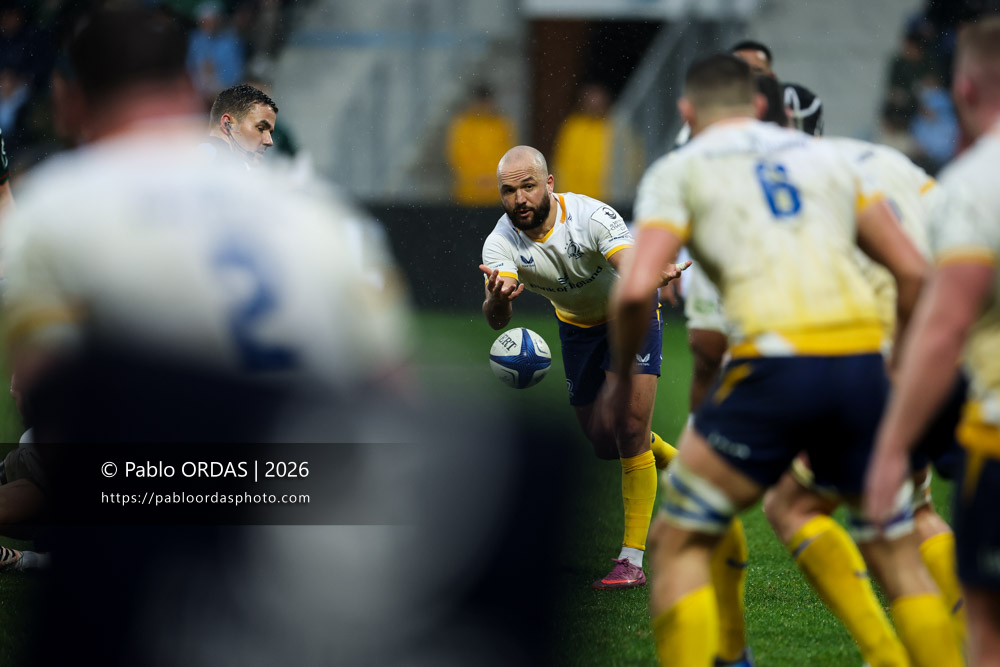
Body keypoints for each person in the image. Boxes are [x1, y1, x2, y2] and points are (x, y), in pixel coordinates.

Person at [604, 53, 959, 666]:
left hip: (773, 365)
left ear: (688, 111)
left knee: (680, 539)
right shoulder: (828, 159)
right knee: (893, 543)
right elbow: (911, 270)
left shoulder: (679, 169)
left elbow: (637, 287)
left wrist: (618, 379)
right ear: (762, 105)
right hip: (860, 365)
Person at [479, 145, 687, 589]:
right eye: (509, 191)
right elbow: (498, 317)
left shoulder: (591, 217)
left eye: (529, 186)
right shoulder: (499, 243)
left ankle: (631, 560)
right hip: (577, 329)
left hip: (630, 313)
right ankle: (677, 462)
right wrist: (497, 298)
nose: (520, 199)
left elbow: (627, 264)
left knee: (629, 431)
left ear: (549, 184)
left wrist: (653, 272)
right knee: (602, 440)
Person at [865, 17, 1000, 667]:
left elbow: (944, 327)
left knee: (988, 631)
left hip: (995, 440)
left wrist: (895, 446)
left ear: (964, 88)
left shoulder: (973, 186)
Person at [445, 84, 515, 205]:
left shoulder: (502, 125)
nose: (484, 106)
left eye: (486, 102)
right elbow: (459, 156)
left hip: (497, 196)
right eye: (481, 102)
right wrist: (477, 180)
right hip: (468, 194)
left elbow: (509, 156)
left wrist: (492, 179)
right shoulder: (463, 125)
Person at [200, 82, 277, 167]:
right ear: (227, 124)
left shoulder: (237, 166)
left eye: (270, 133)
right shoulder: (204, 159)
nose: (270, 142)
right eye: (260, 128)